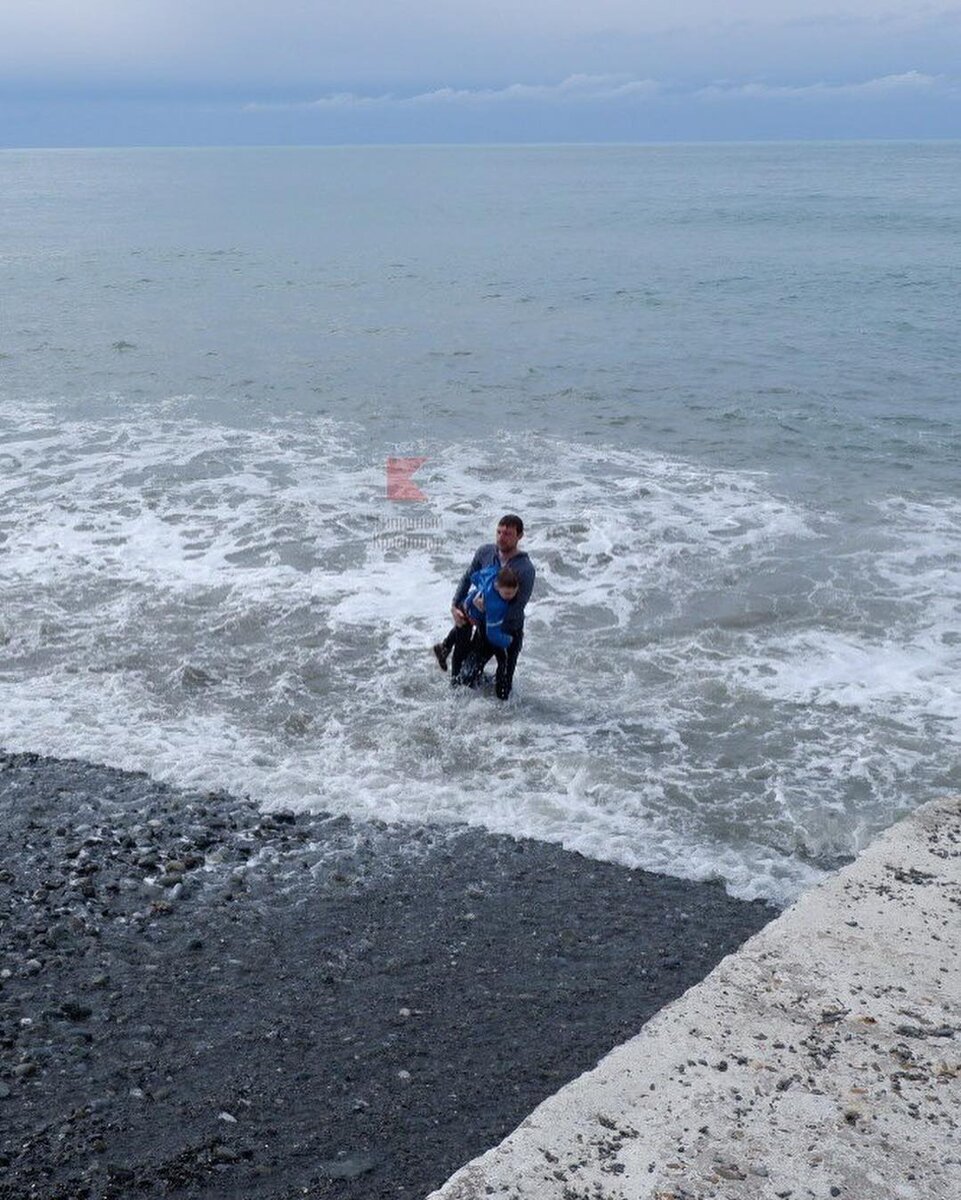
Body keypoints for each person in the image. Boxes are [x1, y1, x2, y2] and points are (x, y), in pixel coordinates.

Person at [433, 514, 535, 700]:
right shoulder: (485, 553)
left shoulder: (525, 569)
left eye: (508, 534)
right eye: (499, 532)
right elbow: (467, 578)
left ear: (519, 536)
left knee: (504, 691)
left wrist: (483, 613)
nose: (501, 537)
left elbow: (517, 607)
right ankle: (472, 717)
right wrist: (455, 605)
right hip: (484, 630)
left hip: (508, 632)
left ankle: (506, 723)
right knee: (467, 678)